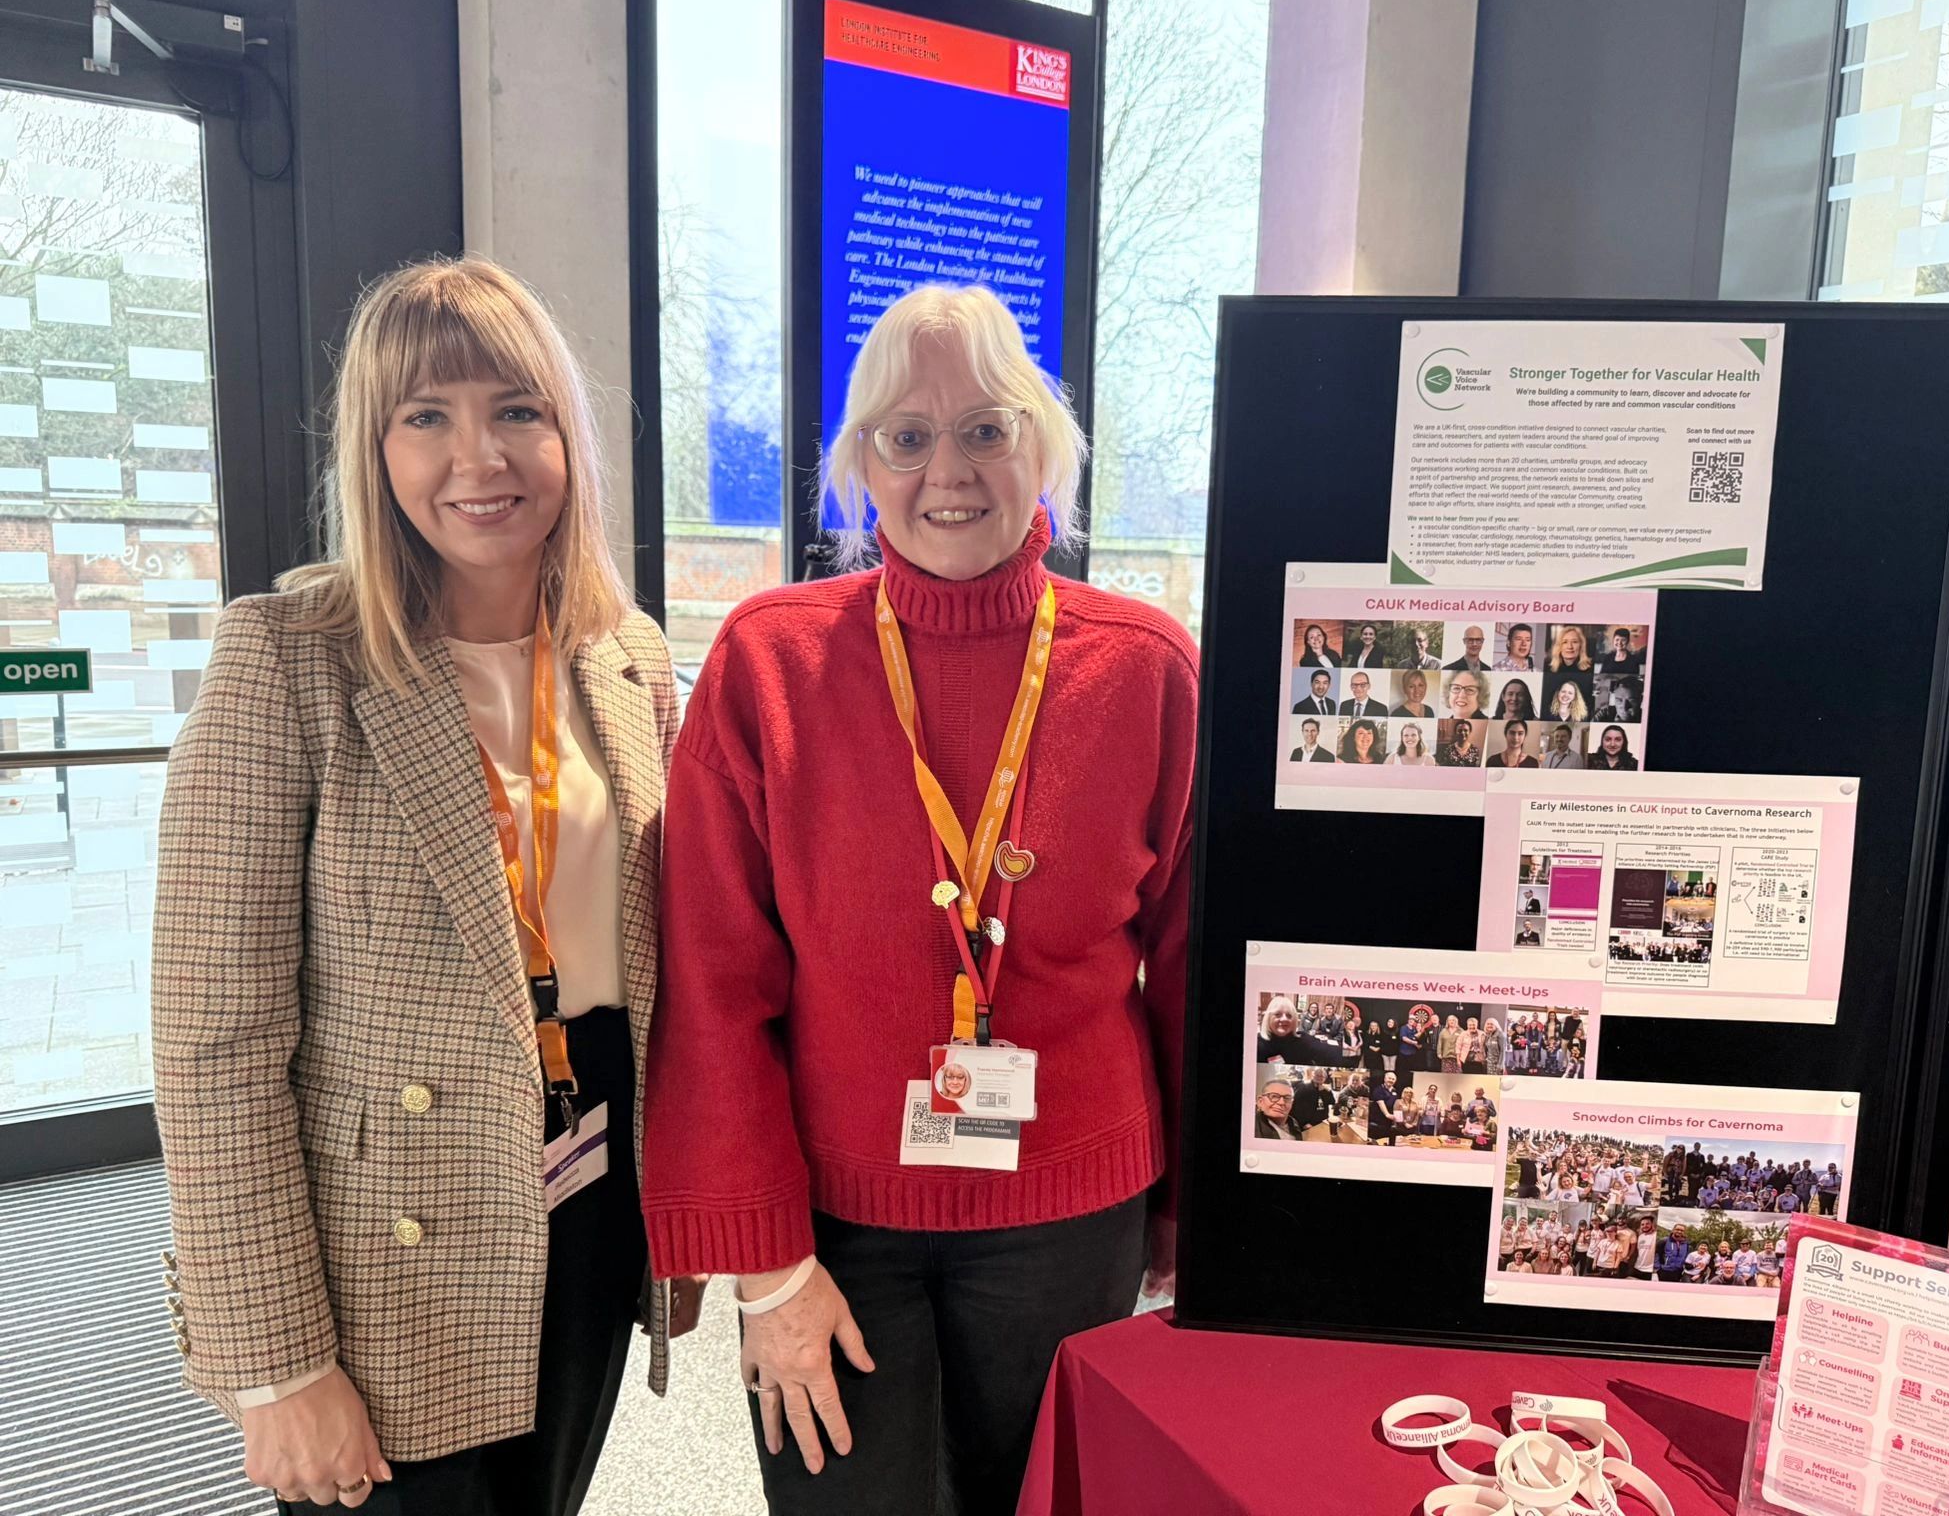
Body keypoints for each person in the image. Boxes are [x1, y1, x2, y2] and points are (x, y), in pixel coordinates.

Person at [639, 284, 1194, 1514]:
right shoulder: (767, 661)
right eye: (906, 435)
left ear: (1043, 450)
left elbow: (1189, 971)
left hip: (1072, 1203)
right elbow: (712, 983)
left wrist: (1189, 1207)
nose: (948, 469)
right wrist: (767, 1269)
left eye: (986, 428)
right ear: (859, 466)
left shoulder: (1145, 669)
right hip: (831, 1222)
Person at [152, 258, 683, 1514]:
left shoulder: (627, 658)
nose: (477, 458)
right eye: (427, 416)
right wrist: (276, 1364)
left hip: (589, 1176)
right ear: (374, 448)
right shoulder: (289, 659)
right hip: (384, 1243)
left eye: (516, 411)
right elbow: (214, 1043)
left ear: (566, 435)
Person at [1255, 998, 1348, 1067]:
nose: (1284, 1019)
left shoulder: (1303, 1040)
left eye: (1289, 1015)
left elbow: (1330, 1053)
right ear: (1268, 1017)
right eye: (1277, 1014)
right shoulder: (1256, 1044)